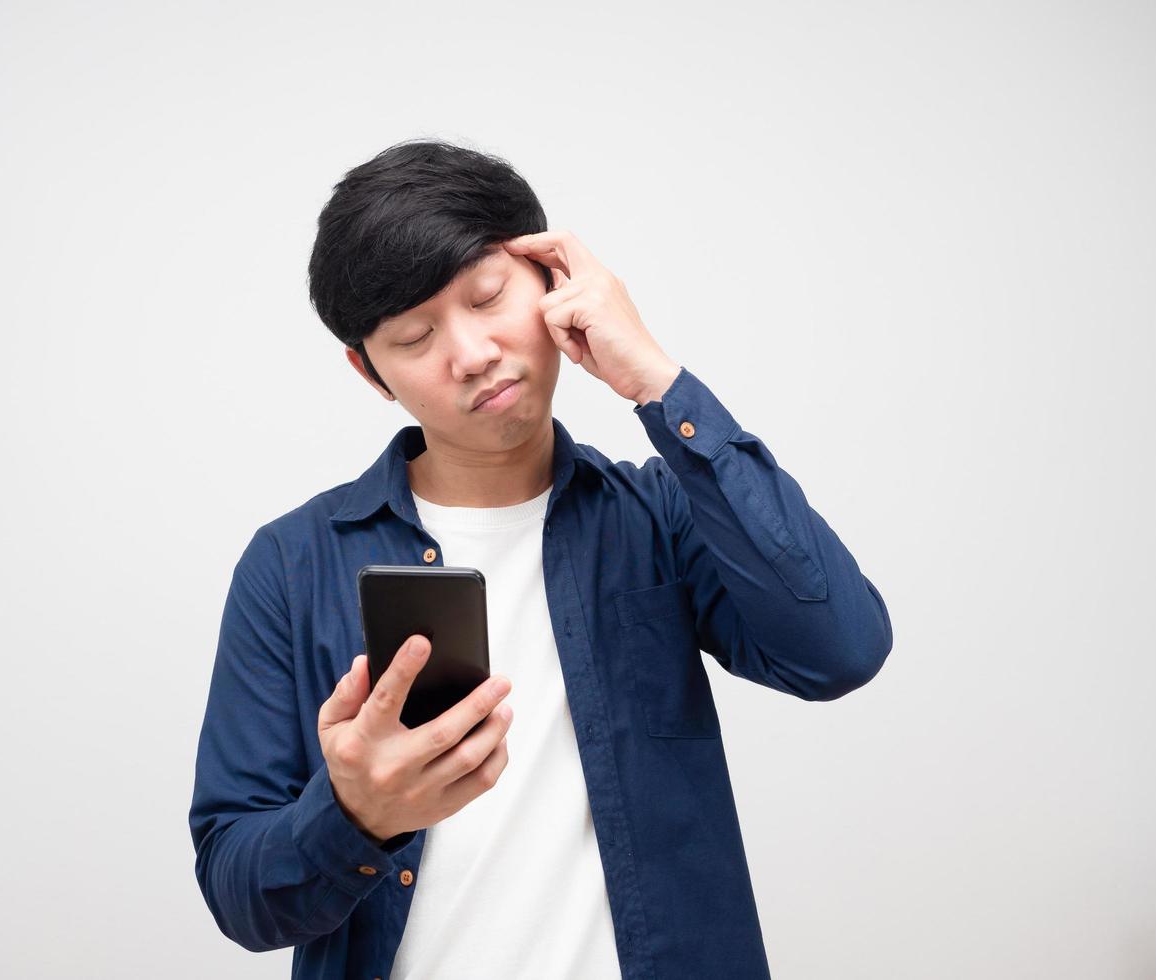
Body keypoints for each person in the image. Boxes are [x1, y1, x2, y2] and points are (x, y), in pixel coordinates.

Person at [188, 138, 893, 980]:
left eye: (487, 297)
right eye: (414, 337)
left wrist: (659, 387)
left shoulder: (657, 514)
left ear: (553, 282)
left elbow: (838, 650)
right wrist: (353, 813)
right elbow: (239, 895)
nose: (471, 354)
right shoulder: (291, 565)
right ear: (368, 372)